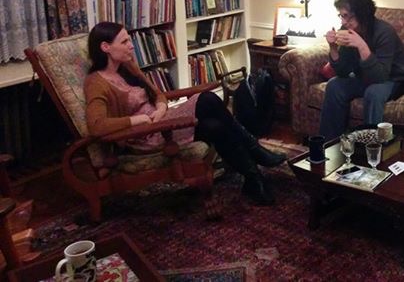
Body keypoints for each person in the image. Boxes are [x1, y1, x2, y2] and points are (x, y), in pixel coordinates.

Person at [83, 22, 286, 206]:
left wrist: (160, 108)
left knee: (215, 127)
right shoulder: (96, 83)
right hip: (146, 137)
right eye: (124, 41)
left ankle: (253, 179)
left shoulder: (127, 68)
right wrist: (137, 120)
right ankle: (255, 150)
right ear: (105, 47)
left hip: (162, 120)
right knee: (207, 99)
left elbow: (158, 94)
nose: (131, 46)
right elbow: (96, 126)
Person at [318, 0, 404, 139]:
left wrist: (361, 46)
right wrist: (333, 48)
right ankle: (330, 143)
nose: (343, 22)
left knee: (373, 92)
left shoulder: (384, 32)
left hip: (395, 79)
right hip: (366, 77)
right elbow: (343, 72)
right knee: (334, 85)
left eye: (346, 16)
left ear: (361, 14)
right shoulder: (347, 30)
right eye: (341, 16)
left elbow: (381, 77)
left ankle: (371, 145)